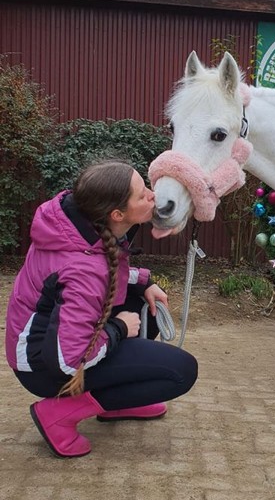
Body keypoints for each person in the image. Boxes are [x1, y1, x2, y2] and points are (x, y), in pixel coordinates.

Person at [5, 159, 198, 458]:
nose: (152, 195)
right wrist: (119, 328)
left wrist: (143, 282)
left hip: (49, 346)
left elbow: (100, 269)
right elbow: (68, 361)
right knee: (180, 372)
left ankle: (117, 403)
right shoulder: (83, 270)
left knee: (146, 308)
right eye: (142, 194)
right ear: (117, 215)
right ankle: (59, 414)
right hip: (46, 368)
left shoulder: (77, 230)